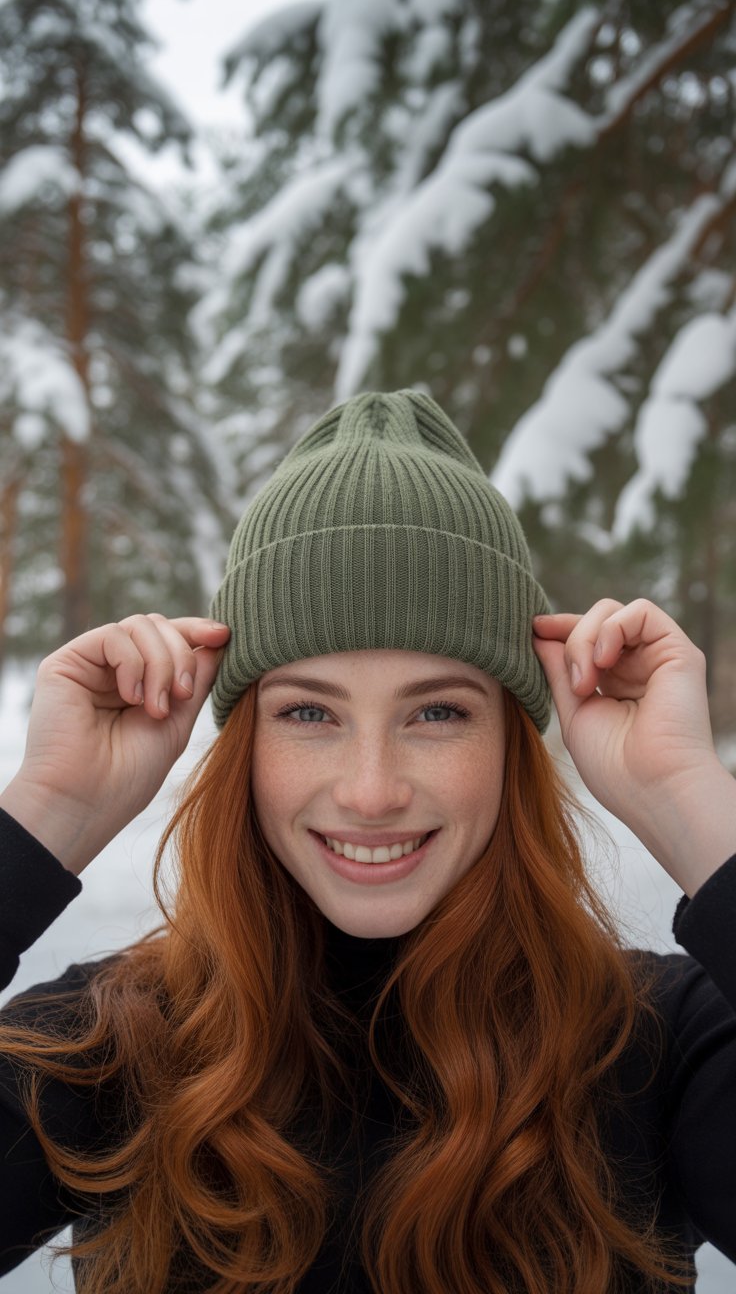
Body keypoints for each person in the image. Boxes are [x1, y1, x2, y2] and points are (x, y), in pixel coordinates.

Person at [0, 389, 734, 1294]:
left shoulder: (660, 1046)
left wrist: (691, 803)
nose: (372, 790)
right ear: (246, 745)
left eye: (438, 712)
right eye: (309, 711)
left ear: (512, 740)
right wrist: (47, 815)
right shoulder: (106, 1050)